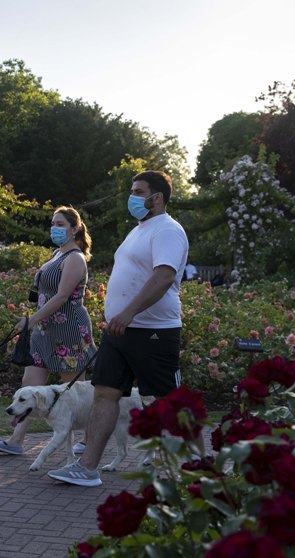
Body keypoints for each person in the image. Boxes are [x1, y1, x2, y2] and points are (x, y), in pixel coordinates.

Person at [47, 171, 189, 487]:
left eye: (139, 192)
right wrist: (119, 316)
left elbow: (164, 277)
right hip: (120, 330)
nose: (132, 197)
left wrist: (128, 313)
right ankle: (87, 469)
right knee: (105, 393)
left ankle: (195, 463)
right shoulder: (139, 230)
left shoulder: (168, 231)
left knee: (163, 400)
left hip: (153, 330)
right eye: (132, 191)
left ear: (158, 197)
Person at [0, 206, 98, 457]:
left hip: (67, 329)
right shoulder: (56, 254)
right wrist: (34, 320)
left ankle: (87, 439)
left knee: (73, 390)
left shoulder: (75, 258)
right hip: (44, 329)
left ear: (75, 228)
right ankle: (16, 441)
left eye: (60, 224)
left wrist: (32, 319)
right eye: (53, 223)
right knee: (29, 384)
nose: (55, 228)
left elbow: (62, 296)